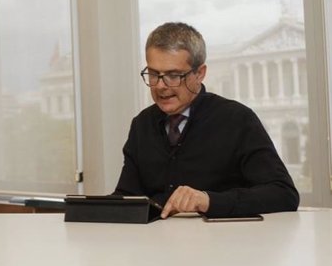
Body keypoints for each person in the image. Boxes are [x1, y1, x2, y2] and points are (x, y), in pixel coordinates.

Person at [113, 22, 299, 218]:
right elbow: (128, 197)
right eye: (153, 74)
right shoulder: (141, 124)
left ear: (200, 73)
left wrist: (208, 200)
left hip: (225, 245)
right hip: (155, 245)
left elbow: (284, 194)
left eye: (173, 75)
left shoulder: (237, 119)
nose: (160, 86)